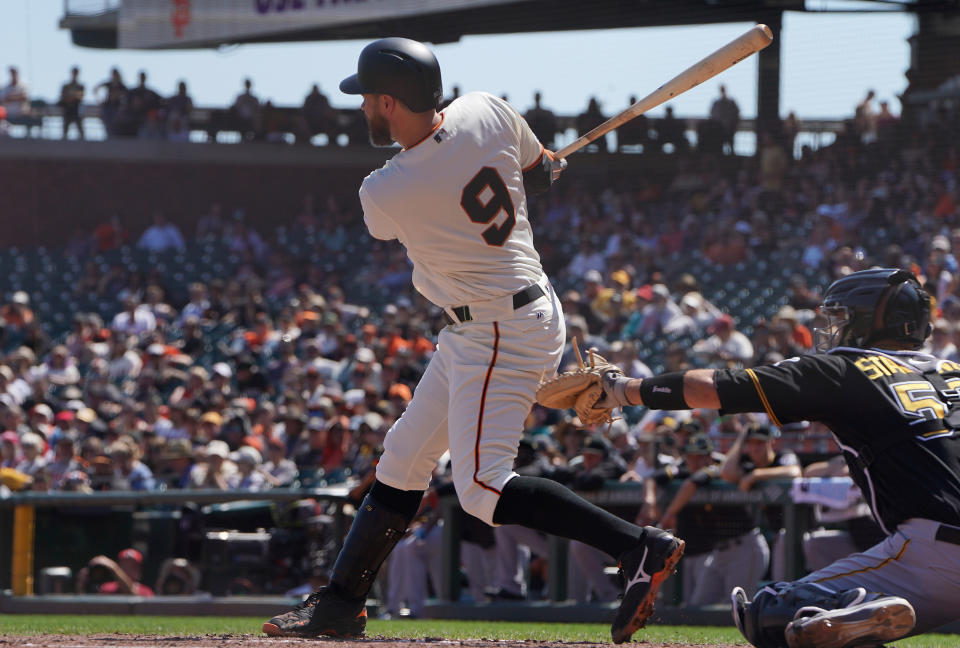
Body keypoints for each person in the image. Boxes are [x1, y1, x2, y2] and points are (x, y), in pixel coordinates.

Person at [262, 37, 683, 643]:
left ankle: (639, 545)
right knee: (404, 457)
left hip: (497, 328)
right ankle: (340, 604)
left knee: (483, 487)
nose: (363, 111)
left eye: (368, 102)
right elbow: (538, 175)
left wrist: (528, 171)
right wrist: (543, 169)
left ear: (389, 101)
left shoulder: (386, 189)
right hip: (503, 314)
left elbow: (436, 198)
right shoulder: (486, 107)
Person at [588, 268, 960, 648]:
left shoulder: (846, 367)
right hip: (940, 553)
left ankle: (849, 608)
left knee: (769, 611)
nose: (833, 327)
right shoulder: (955, 370)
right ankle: (858, 609)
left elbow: (713, 387)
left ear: (868, 319)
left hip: (938, 554)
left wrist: (621, 390)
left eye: (840, 316)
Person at [709, 84, 740, 155]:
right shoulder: (716, 103)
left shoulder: (731, 102)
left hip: (730, 129)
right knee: (719, 150)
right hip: (719, 130)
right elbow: (712, 115)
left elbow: (736, 114)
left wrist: (733, 126)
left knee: (731, 150)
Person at [59, 66, 85, 140]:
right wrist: (72, 96)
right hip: (67, 111)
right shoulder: (66, 86)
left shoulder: (80, 86)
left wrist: (72, 95)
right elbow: (63, 96)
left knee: (81, 132)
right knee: (65, 131)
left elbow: (80, 96)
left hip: (76, 111)